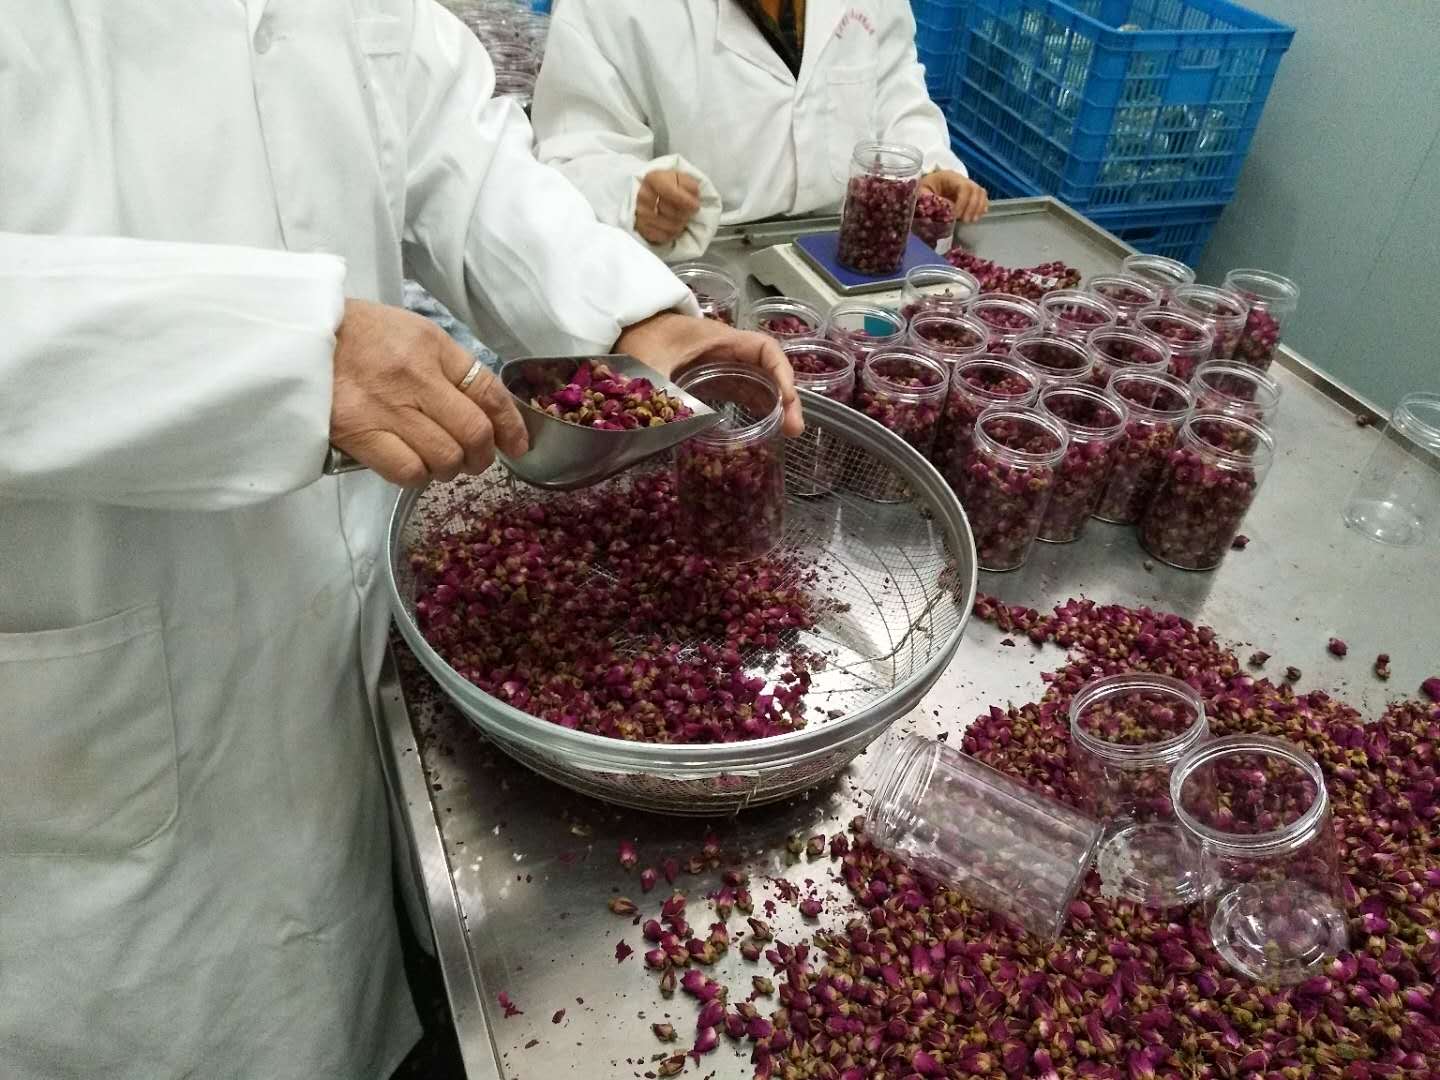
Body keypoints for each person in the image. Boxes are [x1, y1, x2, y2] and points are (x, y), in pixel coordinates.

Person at [0, 4, 800, 1079]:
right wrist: (277, 348)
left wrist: (627, 316)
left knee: (349, 977)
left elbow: (449, 140)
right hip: (95, 680)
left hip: (339, 648)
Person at [531, 0, 988, 258]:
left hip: (853, 251)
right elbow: (577, 148)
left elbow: (893, 83)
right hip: (692, 265)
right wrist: (633, 196)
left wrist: (924, 166)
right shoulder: (609, 8)